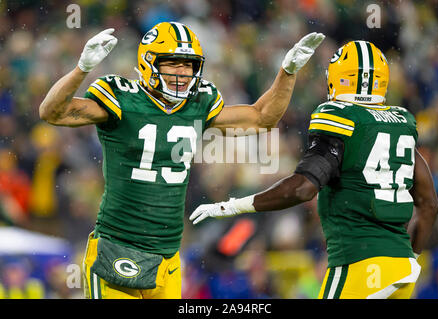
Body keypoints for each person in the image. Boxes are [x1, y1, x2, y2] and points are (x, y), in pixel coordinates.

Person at [39, 22, 325, 299]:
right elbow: (52, 113)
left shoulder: (199, 103)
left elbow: (263, 117)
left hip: (168, 256)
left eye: (188, 65)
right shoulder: (122, 98)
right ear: (149, 63)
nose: (183, 72)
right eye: (173, 63)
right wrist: (82, 69)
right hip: (118, 246)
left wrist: (288, 71)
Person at [190, 40, 438, 299]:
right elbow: (430, 204)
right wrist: (409, 255)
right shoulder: (401, 123)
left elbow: (303, 188)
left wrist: (232, 206)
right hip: (403, 268)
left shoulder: (339, 117)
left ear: (337, 78)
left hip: (360, 263)